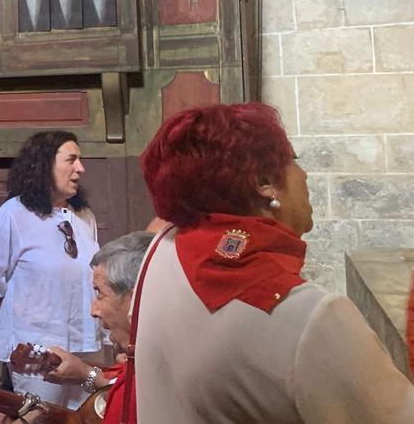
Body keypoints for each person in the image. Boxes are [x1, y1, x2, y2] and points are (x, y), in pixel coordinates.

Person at [134, 102, 414, 423]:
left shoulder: (161, 250)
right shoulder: (313, 318)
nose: (305, 175)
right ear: (264, 181)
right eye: (294, 160)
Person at [0, 130, 102, 409]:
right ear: (45, 165)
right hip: (38, 352)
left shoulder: (84, 217)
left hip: (85, 344)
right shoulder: (11, 217)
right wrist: (19, 332)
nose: (81, 168)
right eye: (71, 160)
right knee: (40, 416)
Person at [0, 231, 153, 424]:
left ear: (135, 300)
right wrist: (87, 375)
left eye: (100, 294)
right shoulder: (154, 361)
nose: (93, 310)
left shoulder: (141, 385)